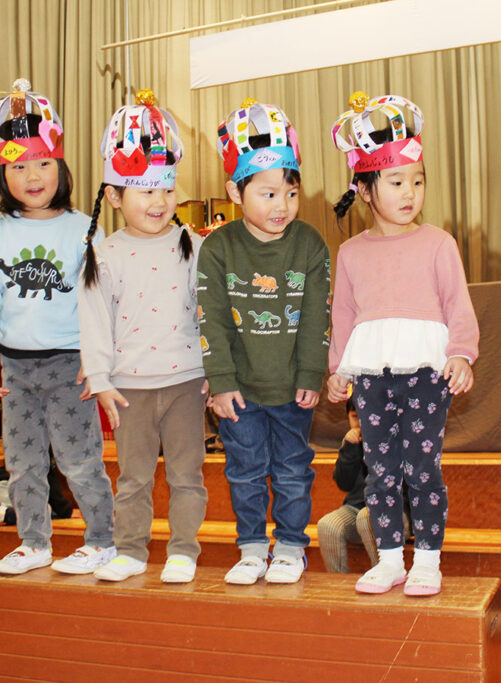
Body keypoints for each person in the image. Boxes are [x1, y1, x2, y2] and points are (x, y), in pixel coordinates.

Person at [326, 92, 480, 596]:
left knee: (422, 467)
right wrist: (338, 369)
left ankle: (428, 560)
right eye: (396, 182)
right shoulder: (351, 253)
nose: (410, 192)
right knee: (381, 469)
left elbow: (457, 304)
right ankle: (390, 559)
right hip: (372, 375)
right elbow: (343, 315)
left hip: (425, 373)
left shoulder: (438, 243)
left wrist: (461, 354)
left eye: (418, 180)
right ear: (365, 190)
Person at [0, 79, 116, 576]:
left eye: (43, 163)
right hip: (16, 369)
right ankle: (34, 542)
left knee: (80, 460)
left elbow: (100, 300)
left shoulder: (84, 228)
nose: (33, 176)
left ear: (61, 166)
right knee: (23, 463)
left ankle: (102, 540)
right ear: (2, 172)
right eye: (19, 166)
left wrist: (98, 358)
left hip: (71, 365)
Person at [77, 90, 208, 584]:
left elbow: (211, 314)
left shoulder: (193, 245)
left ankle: (183, 551)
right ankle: (130, 550)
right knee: (132, 477)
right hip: (129, 388)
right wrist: (100, 379)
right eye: (145, 191)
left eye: (166, 190)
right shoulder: (103, 254)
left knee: (187, 475)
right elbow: (94, 320)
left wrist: (216, 372)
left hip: (186, 382)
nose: (159, 202)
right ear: (114, 196)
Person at [198, 98, 330, 585]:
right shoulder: (218, 247)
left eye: (291, 193)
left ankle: (291, 547)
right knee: (245, 470)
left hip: (293, 388)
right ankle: (252, 548)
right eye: (268, 194)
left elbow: (317, 316)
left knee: (294, 469)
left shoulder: (310, 243)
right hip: (239, 390)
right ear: (236, 191)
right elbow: (211, 319)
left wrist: (311, 374)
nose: (282, 206)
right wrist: (220, 382)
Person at [317, 402, 380, 573]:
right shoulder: (351, 444)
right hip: (356, 508)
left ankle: (383, 574)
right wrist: (350, 449)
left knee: (366, 518)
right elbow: (344, 483)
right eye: (355, 417)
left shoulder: (393, 439)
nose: (360, 422)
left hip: (393, 512)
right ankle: (339, 582)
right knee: (327, 525)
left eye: (366, 416)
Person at [0, 456, 73, 536]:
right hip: (21, 490)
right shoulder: (43, 454)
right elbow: (53, 490)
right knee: (45, 510)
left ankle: (8, 511)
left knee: (41, 508)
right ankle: (5, 514)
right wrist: (66, 511)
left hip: (1, 489)